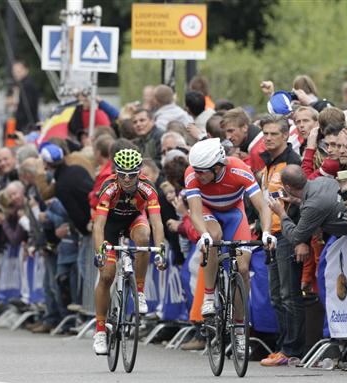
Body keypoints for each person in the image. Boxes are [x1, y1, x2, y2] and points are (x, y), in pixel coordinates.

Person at [184, 138, 275, 321]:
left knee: (242, 269)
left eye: (202, 172)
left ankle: (240, 325)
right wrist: (203, 235)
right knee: (213, 236)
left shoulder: (239, 169)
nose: (197, 174)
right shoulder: (192, 174)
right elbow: (194, 213)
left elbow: (263, 207)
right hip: (207, 211)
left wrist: (266, 232)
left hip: (234, 213)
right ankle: (209, 296)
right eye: (195, 170)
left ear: (217, 168)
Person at [92, 145, 166, 355]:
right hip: (110, 226)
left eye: (132, 175)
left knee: (144, 237)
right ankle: (99, 331)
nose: (126, 180)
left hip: (134, 220)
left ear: (139, 172)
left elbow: (157, 223)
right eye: (122, 175)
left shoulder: (147, 188)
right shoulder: (109, 188)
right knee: (107, 275)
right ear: (116, 172)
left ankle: (139, 292)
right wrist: (101, 252)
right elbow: (98, 226)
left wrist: (160, 250)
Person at [257, 115, 304, 366]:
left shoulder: (293, 163)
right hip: (272, 236)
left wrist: (300, 237)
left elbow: (300, 203)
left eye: (274, 133)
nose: (268, 138)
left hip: (288, 235)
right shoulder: (268, 164)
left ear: (286, 136)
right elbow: (265, 201)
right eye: (265, 133)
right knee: (276, 296)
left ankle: (293, 349)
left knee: (289, 294)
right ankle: (282, 346)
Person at [269, 165, 347, 254]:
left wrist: (281, 214)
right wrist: (297, 201)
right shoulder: (322, 180)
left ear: (287, 188)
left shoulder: (312, 206)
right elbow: (320, 204)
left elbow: (296, 237)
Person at [11, 60, 39, 132]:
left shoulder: (27, 85)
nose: (15, 74)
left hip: (26, 126)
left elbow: (27, 107)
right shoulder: (22, 84)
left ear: (26, 70)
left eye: (18, 71)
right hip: (26, 125)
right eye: (14, 72)